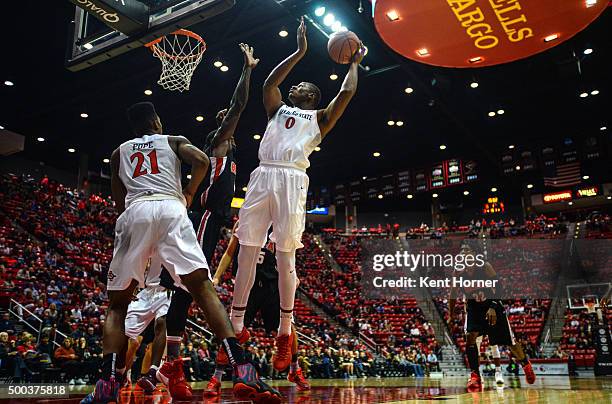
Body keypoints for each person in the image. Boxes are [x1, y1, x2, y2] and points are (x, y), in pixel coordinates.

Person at [82, 101, 280, 404]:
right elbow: (201, 160)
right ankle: (242, 369)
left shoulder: (118, 153)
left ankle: (107, 383)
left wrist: (133, 223)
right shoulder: (172, 141)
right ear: (157, 122)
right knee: (202, 288)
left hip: (135, 211)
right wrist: (188, 193)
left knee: (117, 306)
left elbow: (118, 198)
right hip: (171, 208)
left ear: (134, 128)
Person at [230, 16, 364, 373]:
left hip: (292, 179)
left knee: (285, 258)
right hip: (261, 176)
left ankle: (285, 333)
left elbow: (347, 93)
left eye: (302, 84)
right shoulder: (277, 109)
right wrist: (300, 51)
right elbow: (270, 82)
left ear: (312, 96)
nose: (296, 86)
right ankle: (237, 325)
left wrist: (354, 64)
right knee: (247, 253)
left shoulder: (319, 117)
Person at [159, 43, 259, 376]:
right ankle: (168, 361)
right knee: (189, 287)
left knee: (190, 288)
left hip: (214, 223)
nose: (226, 122)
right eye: (222, 121)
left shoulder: (232, 159)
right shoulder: (216, 145)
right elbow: (238, 104)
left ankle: (165, 363)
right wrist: (247, 69)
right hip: (201, 219)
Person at [204, 221, 310, 396]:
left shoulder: (280, 221)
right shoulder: (247, 219)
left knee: (288, 326)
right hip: (248, 286)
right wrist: (216, 277)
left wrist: (294, 277)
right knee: (231, 331)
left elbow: (289, 256)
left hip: (272, 285)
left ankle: (294, 369)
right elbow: (230, 252)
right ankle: (217, 378)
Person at [449, 243, 535, 392]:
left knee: (509, 342)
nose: (463, 254)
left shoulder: (485, 267)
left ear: (473, 254)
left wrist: (493, 307)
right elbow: (453, 293)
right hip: (474, 309)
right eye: (461, 252)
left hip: (492, 306)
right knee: (470, 337)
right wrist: (450, 314)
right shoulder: (458, 272)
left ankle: (525, 363)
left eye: (466, 251)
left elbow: (500, 288)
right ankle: (475, 375)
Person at [121, 258, 170, 393]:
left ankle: (148, 376)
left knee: (152, 344)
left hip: (166, 292)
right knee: (132, 341)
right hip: (146, 293)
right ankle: (123, 373)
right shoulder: (149, 242)